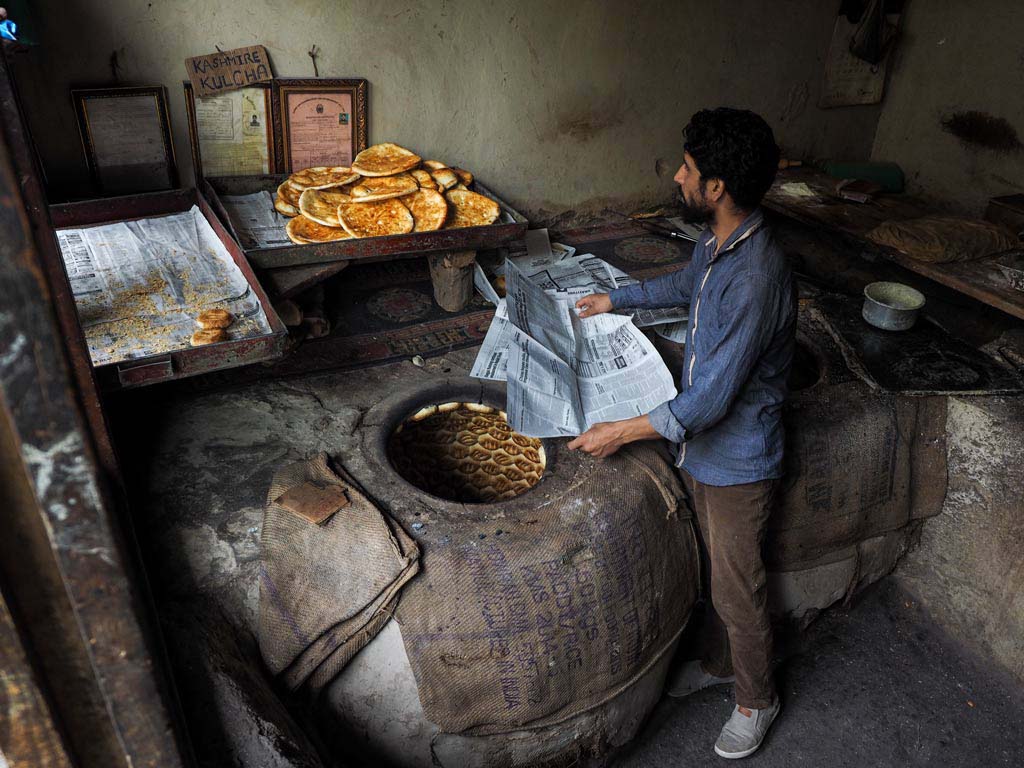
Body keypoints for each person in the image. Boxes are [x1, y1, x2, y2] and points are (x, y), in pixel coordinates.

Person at [568, 107, 795, 760]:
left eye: (688, 170)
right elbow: (687, 284)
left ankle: (757, 700)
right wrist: (617, 299)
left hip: (737, 461)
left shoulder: (757, 277)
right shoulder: (720, 241)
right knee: (714, 571)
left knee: (738, 588)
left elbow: (711, 401)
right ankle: (722, 666)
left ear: (716, 187)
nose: (676, 177)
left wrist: (621, 433)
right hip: (703, 452)